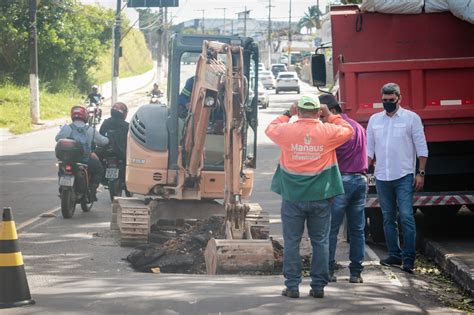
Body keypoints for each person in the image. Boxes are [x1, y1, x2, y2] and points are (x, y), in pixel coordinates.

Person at [265, 95, 354, 299]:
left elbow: (270, 127)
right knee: (320, 242)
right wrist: (330, 114)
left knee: (292, 242)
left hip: (293, 198)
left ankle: (293, 286)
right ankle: (318, 286)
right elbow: (348, 129)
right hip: (320, 197)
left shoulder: (287, 130)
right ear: (318, 112)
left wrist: (288, 113)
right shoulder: (327, 131)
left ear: (298, 111)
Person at [366, 82, 428, 273]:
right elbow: (369, 150)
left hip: (404, 175)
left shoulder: (411, 118)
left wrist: (421, 173)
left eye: (391, 100)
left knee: (407, 216)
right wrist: (363, 171)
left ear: (399, 98)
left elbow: (421, 147)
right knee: (388, 218)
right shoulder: (375, 120)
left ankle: (408, 259)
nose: (388, 103)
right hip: (383, 176)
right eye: (384, 100)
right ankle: (394, 254)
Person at [318, 94, 368, 284]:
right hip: (360, 181)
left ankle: (329, 270)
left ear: (331, 110)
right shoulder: (358, 126)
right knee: (357, 230)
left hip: (341, 182)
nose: (322, 119)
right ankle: (356, 273)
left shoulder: (336, 130)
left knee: (331, 230)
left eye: (323, 115)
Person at [56, 105, 109, 201]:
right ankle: (92, 191)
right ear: (85, 116)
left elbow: (57, 139)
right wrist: (109, 140)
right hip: (85, 159)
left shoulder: (67, 128)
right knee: (99, 170)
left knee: (61, 169)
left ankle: (61, 188)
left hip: (68, 160)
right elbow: (102, 141)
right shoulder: (90, 130)